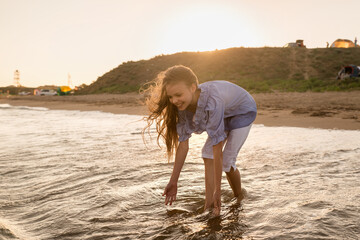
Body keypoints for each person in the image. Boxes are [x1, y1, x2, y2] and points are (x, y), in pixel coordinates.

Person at [142, 65, 257, 216]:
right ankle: (208, 207)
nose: (174, 101)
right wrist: (173, 181)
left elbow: (217, 149)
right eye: (170, 97)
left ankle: (238, 198)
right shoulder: (183, 107)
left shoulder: (212, 101)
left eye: (178, 95)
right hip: (223, 113)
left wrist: (218, 191)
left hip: (242, 111)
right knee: (206, 153)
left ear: (192, 87)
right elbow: (183, 145)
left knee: (227, 162)